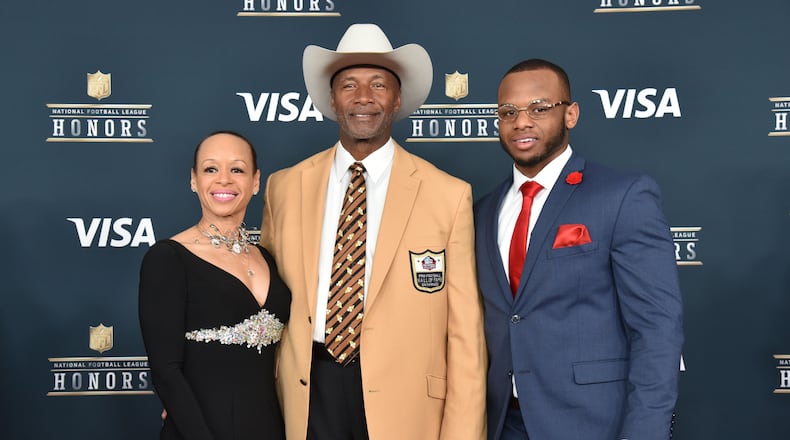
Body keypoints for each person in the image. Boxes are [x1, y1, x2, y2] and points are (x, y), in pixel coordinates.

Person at [260, 24, 486, 440]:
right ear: (332, 100)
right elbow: (263, 308)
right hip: (307, 397)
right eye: (349, 85)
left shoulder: (448, 195)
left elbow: (465, 337)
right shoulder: (284, 188)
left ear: (397, 99)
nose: (363, 97)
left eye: (378, 84)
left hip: (407, 407)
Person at [474, 58, 684, 440]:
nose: (522, 121)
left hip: (593, 423)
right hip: (502, 422)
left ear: (570, 114)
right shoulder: (481, 212)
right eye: (508, 112)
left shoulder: (623, 196)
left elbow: (657, 328)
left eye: (539, 108)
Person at [138, 131, 291, 440]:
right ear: (194, 180)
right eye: (210, 169)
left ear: (256, 181)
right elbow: (166, 373)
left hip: (269, 427)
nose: (224, 180)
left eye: (237, 169)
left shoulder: (267, 256)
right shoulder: (168, 258)